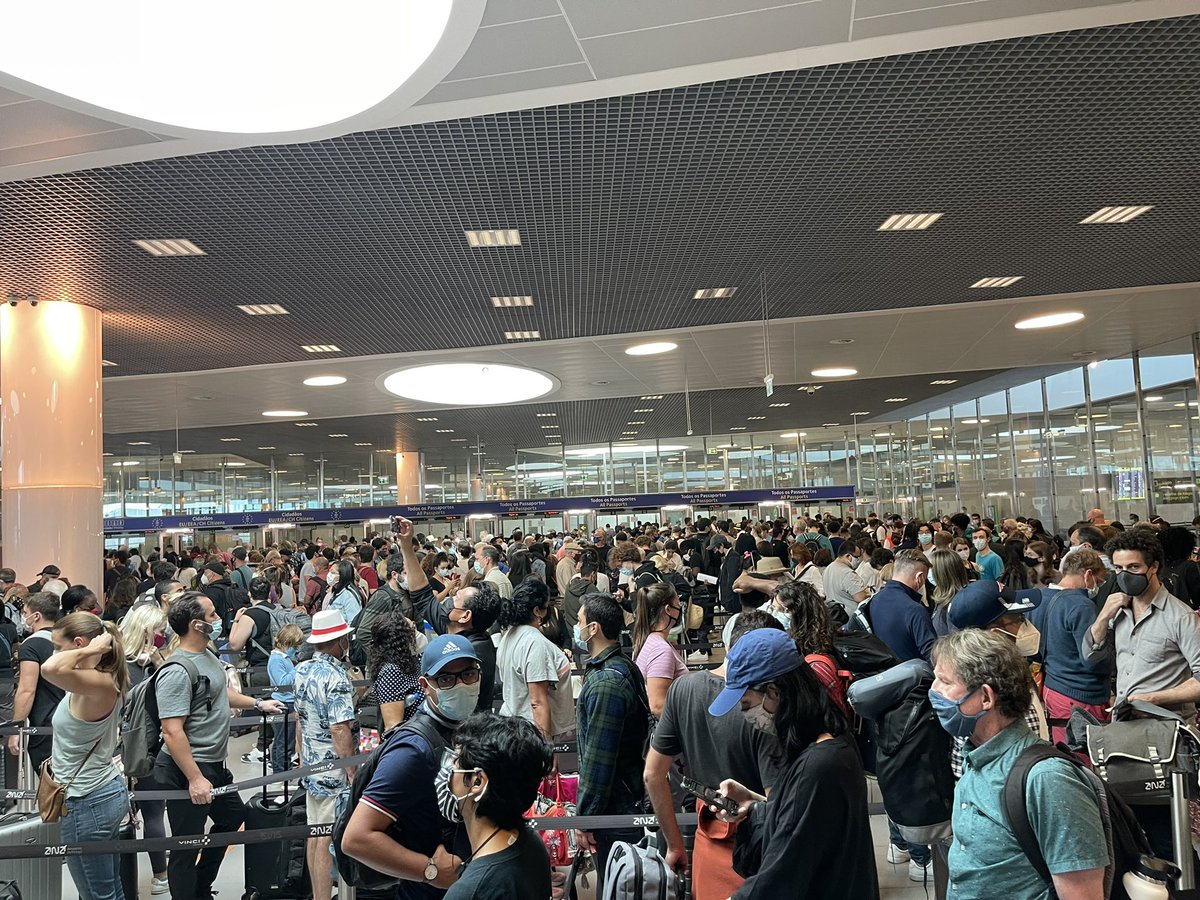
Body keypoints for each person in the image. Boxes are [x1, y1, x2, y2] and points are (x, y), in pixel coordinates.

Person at [931, 629, 1108, 899]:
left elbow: (1082, 894)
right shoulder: (975, 755)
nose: (934, 690)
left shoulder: (1048, 781)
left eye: (944, 681)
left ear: (986, 698)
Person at [708, 628, 879, 899]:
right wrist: (753, 806)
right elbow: (804, 817)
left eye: (746, 704)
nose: (745, 715)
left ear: (773, 692)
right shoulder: (828, 738)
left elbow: (781, 873)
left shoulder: (819, 765)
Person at [153, 592, 284, 900]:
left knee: (232, 816)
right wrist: (195, 778)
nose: (219, 619)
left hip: (213, 764)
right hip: (187, 767)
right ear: (197, 625)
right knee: (186, 844)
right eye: (212, 615)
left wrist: (257, 702)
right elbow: (172, 731)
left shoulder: (208, 655)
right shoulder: (177, 670)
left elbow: (221, 693)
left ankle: (200, 886)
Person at [645, 612, 783, 898]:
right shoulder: (765, 709)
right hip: (761, 852)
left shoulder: (684, 689)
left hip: (707, 842)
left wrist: (673, 844)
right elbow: (778, 805)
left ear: (728, 648)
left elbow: (653, 774)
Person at [1082, 527, 1200, 862]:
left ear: (1154, 566)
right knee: (1133, 827)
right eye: (1118, 569)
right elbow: (1090, 656)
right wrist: (1103, 615)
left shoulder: (1180, 617)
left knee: (1169, 835)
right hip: (1123, 733)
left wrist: (1154, 697)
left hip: (1166, 738)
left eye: (1132, 569)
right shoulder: (1118, 609)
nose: (1124, 577)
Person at [341, 634, 483, 898]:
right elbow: (356, 838)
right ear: (425, 685)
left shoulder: (463, 731)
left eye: (468, 674)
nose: (460, 685)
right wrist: (428, 871)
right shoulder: (413, 750)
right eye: (446, 679)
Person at [40, 613, 129, 900]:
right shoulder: (87, 680)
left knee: (97, 893)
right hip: (96, 795)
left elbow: (49, 668)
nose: (54, 651)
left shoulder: (99, 683)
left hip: (88, 800)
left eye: (57, 645)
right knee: (107, 887)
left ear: (78, 643)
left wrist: (91, 649)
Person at [573, 592, 650, 894]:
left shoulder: (606, 682)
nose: (576, 627)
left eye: (580, 621)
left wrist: (584, 818)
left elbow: (598, 760)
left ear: (593, 628)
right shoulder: (619, 666)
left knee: (620, 885)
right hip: (622, 800)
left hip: (616, 807)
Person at [439, 713, 554, 900]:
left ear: (477, 782)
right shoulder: (530, 842)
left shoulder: (470, 892)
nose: (447, 772)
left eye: (454, 762)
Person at [294, 608, 361, 900]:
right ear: (338, 641)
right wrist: (351, 770)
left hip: (311, 762)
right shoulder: (336, 677)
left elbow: (300, 718)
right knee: (328, 837)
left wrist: (300, 755)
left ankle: (318, 895)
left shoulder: (301, 670)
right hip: (333, 769)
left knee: (314, 832)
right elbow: (340, 729)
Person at [1025, 549, 1112, 750]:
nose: (1098, 585)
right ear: (1088, 575)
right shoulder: (1081, 606)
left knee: (1065, 753)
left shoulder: (1039, 599)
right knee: (1088, 759)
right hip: (1082, 694)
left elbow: (1033, 649)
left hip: (1052, 690)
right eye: (1099, 580)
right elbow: (1092, 659)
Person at [496, 579, 574, 740]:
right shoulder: (534, 642)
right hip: (531, 733)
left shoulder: (510, 636)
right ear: (538, 611)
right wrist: (546, 747)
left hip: (517, 727)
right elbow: (537, 701)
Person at [8, 591, 64, 773]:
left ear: (36, 616)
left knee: (52, 787)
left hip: (45, 723)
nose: (24, 617)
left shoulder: (31, 645)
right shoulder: (67, 640)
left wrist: (16, 728)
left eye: (25, 613)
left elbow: (26, 689)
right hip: (71, 717)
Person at [632, 582, 688, 718]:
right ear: (668, 609)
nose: (680, 606)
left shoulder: (649, 640)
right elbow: (658, 706)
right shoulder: (660, 649)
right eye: (677, 601)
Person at [367, 610, 425, 730]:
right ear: (401, 639)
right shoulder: (391, 672)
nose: (417, 633)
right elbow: (393, 727)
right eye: (413, 629)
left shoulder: (415, 661)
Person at [268, 623, 304, 773]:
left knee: (282, 739)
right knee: (284, 741)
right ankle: (283, 771)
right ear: (288, 643)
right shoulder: (277, 660)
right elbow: (282, 683)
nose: (296, 650)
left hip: (288, 702)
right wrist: (297, 669)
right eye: (295, 647)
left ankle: (281, 768)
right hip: (283, 703)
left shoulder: (283, 658)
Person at [822, 539, 868, 618]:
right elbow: (861, 597)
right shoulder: (847, 573)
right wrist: (869, 593)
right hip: (851, 617)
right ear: (848, 556)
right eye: (857, 557)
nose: (859, 560)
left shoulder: (828, 568)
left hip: (835, 615)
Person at [929, 549, 969, 636]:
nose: (928, 572)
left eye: (931, 568)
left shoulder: (958, 605)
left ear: (941, 573)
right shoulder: (942, 596)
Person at [326, 559, 365, 624]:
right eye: (329, 572)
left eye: (333, 573)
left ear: (342, 575)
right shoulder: (337, 591)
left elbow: (353, 621)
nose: (329, 575)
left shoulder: (349, 596)